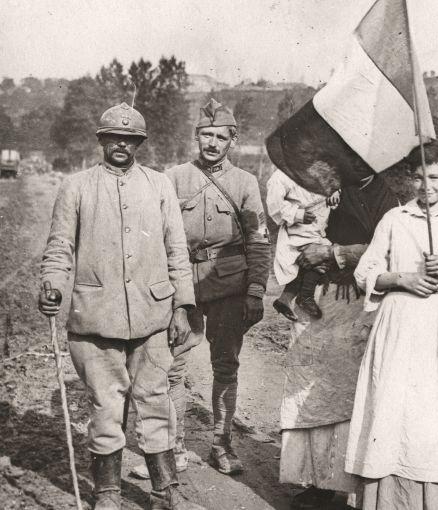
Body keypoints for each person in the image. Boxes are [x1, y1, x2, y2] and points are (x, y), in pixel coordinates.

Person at [38, 103, 203, 510]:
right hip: (96, 318)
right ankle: (107, 493)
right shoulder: (76, 186)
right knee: (106, 406)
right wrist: (53, 285)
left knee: (155, 401)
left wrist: (182, 305)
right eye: (113, 138)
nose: (121, 146)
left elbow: (176, 250)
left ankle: (164, 489)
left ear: (139, 144)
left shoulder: (159, 185)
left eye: (129, 140)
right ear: (101, 141)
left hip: (153, 317)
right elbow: (60, 245)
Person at [345, 141, 438, 510]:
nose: (427, 185)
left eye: (436, 178)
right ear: (411, 180)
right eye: (420, 177)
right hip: (401, 323)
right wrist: (402, 279)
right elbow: (366, 272)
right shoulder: (395, 220)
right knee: (398, 408)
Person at [131, 98, 271, 478]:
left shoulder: (245, 183)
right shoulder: (173, 178)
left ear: (233, 140)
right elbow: (155, 236)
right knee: (172, 369)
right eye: (205, 135)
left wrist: (256, 288)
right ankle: (174, 448)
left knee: (225, 366)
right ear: (196, 136)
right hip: (184, 288)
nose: (211, 143)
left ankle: (221, 444)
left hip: (229, 288)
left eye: (219, 137)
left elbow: (258, 240)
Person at [278, 171, 399, 510]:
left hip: (354, 300)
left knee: (346, 391)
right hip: (318, 295)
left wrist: (333, 253)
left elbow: (386, 249)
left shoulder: (387, 196)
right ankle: (313, 479)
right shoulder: (334, 187)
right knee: (307, 386)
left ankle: (348, 483)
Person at [266, 169, 340, 320]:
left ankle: (285, 299)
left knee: (312, 261)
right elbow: (274, 205)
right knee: (318, 257)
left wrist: (335, 192)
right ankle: (305, 296)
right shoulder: (282, 176)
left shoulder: (323, 170)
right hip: (297, 229)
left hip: (319, 226)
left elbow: (335, 184)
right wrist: (297, 214)